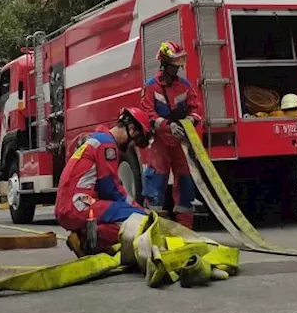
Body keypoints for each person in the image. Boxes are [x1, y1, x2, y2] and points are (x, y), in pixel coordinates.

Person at [55, 107, 153, 256]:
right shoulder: (107, 146)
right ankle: (86, 240)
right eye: (137, 140)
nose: (133, 146)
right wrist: (139, 209)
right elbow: (110, 189)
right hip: (78, 205)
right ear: (131, 129)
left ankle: (85, 237)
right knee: (139, 219)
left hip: (71, 205)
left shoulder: (98, 140)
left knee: (121, 212)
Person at [137, 40, 203, 227]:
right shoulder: (151, 86)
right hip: (160, 142)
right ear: (164, 64)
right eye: (175, 65)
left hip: (181, 140)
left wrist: (191, 120)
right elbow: (148, 114)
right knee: (155, 182)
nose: (178, 69)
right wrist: (167, 125)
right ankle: (156, 227)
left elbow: (195, 109)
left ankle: (185, 229)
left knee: (186, 182)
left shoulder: (185, 86)